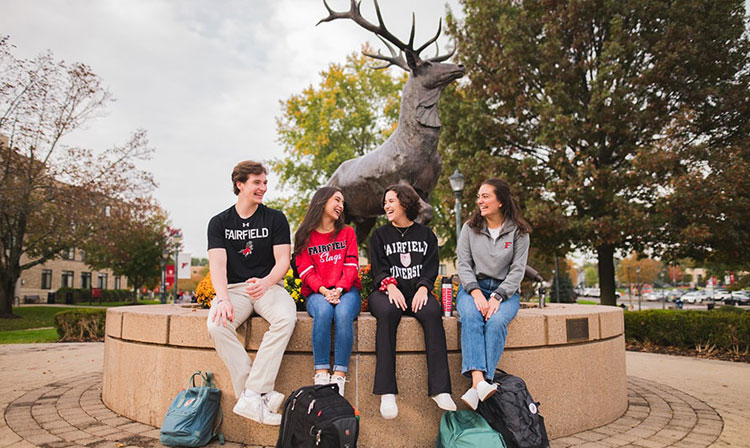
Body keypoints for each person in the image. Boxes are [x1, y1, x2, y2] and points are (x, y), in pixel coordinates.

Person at [205, 160, 297, 426]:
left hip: (269, 287)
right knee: (216, 325)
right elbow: (218, 265)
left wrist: (267, 282)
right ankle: (254, 395)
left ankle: (252, 393)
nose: (263, 188)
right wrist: (222, 299)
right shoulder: (219, 222)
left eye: (265, 182)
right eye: (257, 182)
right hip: (234, 289)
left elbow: (283, 261)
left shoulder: (275, 218)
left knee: (285, 318)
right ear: (240, 184)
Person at [368, 184, 456, 419]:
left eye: (391, 201)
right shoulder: (379, 235)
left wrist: (424, 288)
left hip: (417, 291)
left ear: (405, 203)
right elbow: (377, 269)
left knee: (431, 313)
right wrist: (390, 285)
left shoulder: (426, 235)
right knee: (388, 313)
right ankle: (387, 392)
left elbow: (430, 267)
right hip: (387, 291)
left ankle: (440, 389)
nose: (386, 206)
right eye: (385, 202)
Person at [456, 178, 531, 410]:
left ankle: (476, 387)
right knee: (471, 317)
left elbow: (518, 270)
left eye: (485, 196)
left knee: (497, 321)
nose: (480, 201)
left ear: (501, 201)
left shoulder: (519, 233)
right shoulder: (470, 228)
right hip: (472, 288)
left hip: (505, 292)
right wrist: (476, 292)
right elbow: (463, 264)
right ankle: (480, 380)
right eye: (479, 196)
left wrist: (498, 296)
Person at [294, 187, 361, 396]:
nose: (341, 205)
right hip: (317, 292)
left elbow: (351, 265)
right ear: (322, 201)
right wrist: (324, 291)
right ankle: (321, 374)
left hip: (347, 290)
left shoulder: (347, 232)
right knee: (323, 312)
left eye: (342, 202)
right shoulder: (305, 235)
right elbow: (305, 271)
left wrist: (339, 289)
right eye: (337, 200)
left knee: (342, 313)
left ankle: (339, 376)